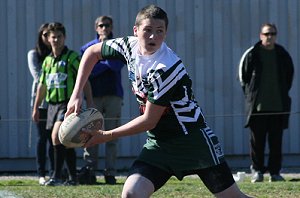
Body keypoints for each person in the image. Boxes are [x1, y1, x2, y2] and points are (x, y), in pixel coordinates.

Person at [66, 4, 251, 198]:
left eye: (159, 31)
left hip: (192, 140)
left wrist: (106, 134)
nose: (153, 36)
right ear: (135, 31)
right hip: (159, 143)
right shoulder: (128, 46)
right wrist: (77, 93)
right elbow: (91, 53)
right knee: (131, 193)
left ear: (166, 32)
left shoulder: (165, 68)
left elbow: (149, 120)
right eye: (148, 30)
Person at [32, 22, 93, 186]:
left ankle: (56, 176)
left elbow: (85, 80)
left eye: (59, 36)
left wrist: (90, 102)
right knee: (65, 140)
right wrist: (36, 107)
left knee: (57, 136)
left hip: (67, 104)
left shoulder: (72, 57)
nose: (56, 40)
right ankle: (73, 178)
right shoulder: (47, 61)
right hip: (52, 105)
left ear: (64, 38)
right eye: (53, 37)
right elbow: (42, 86)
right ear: (48, 39)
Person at [238, 23, 294, 183]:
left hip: (278, 107)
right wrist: (251, 97)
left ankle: (275, 173)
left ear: (276, 36)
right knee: (257, 143)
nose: (270, 37)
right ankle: (257, 171)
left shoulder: (282, 54)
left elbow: (289, 78)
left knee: (276, 142)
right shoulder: (252, 54)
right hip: (257, 108)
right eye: (267, 34)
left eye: (273, 34)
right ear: (261, 35)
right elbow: (244, 79)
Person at [77, 15, 124, 185]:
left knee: (112, 135)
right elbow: (88, 72)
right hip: (93, 97)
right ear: (96, 28)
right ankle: (90, 170)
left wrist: (98, 61)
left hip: (113, 95)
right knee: (90, 134)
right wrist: (100, 62)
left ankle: (110, 172)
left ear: (111, 27)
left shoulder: (118, 46)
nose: (104, 29)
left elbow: (116, 66)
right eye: (101, 26)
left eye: (107, 25)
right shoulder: (87, 48)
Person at [27, 23, 54, 185]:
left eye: (51, 35)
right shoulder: (34, 54)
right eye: (45, 35)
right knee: (41, 138)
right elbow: (38, 76)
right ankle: (41, 173)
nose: (49, 39)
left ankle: (55, 172)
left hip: (56, 102)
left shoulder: (58, 54)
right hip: (41, 100)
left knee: (54, 138)